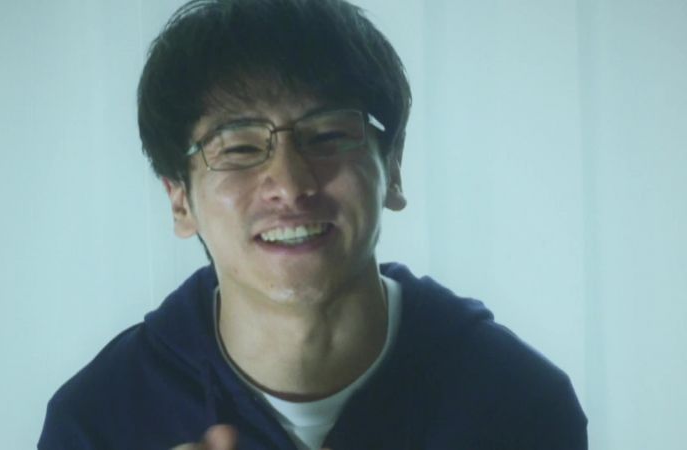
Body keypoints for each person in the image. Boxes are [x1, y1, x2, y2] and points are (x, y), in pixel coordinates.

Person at [38, 0, 588, 449]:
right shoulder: (98, 422)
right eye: (240, 147)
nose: (290, 183)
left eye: (326, 136)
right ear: (180, 200)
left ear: (393, 171)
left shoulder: (518, 403)